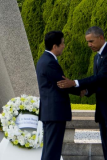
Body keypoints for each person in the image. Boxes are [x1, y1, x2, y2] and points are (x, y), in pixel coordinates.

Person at [57, 26, 107, 160]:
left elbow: (102, 77)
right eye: (87, 42)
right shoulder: (97, 57)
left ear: (101, 38)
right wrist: (86, 91)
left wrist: (75, 83)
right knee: (106, 146)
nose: (89, 45)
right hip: (104, 109)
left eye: (91, 41)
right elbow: (100, 82)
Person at [36, 31, 82, 160]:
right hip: (54, 113)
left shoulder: (45, 60)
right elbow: (62, 84)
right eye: (62, 43)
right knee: (52, 152)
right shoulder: (49, 62)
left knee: (50, 150)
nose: (64, 46)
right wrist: (81, 90)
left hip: (51, 112)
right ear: (54, 46)